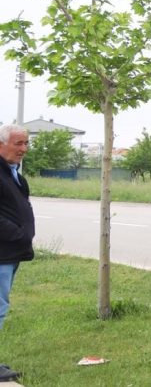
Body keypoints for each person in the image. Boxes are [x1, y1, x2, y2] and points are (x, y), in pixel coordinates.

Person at [0, 125, 33, 383]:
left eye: (26, 143)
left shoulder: (14, 174)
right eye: (18, 143)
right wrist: (18, 233)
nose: (23, 149)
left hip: (11, 253)